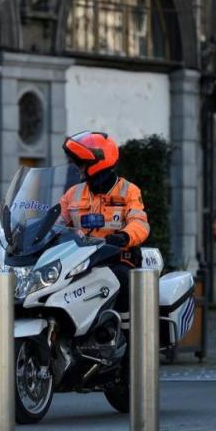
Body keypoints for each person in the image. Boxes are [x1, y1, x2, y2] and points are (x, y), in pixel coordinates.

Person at [58, 131, 150, 327]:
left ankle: (128, 336)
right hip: (79, 260)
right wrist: (32, 231)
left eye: (82, 163)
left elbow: (140, 222)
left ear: (97, 163)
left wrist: (124, 237)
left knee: (123, 280)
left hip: (116, 257)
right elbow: (56, 222)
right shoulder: (73, 193)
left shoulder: (128, 190)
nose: (78, 167)